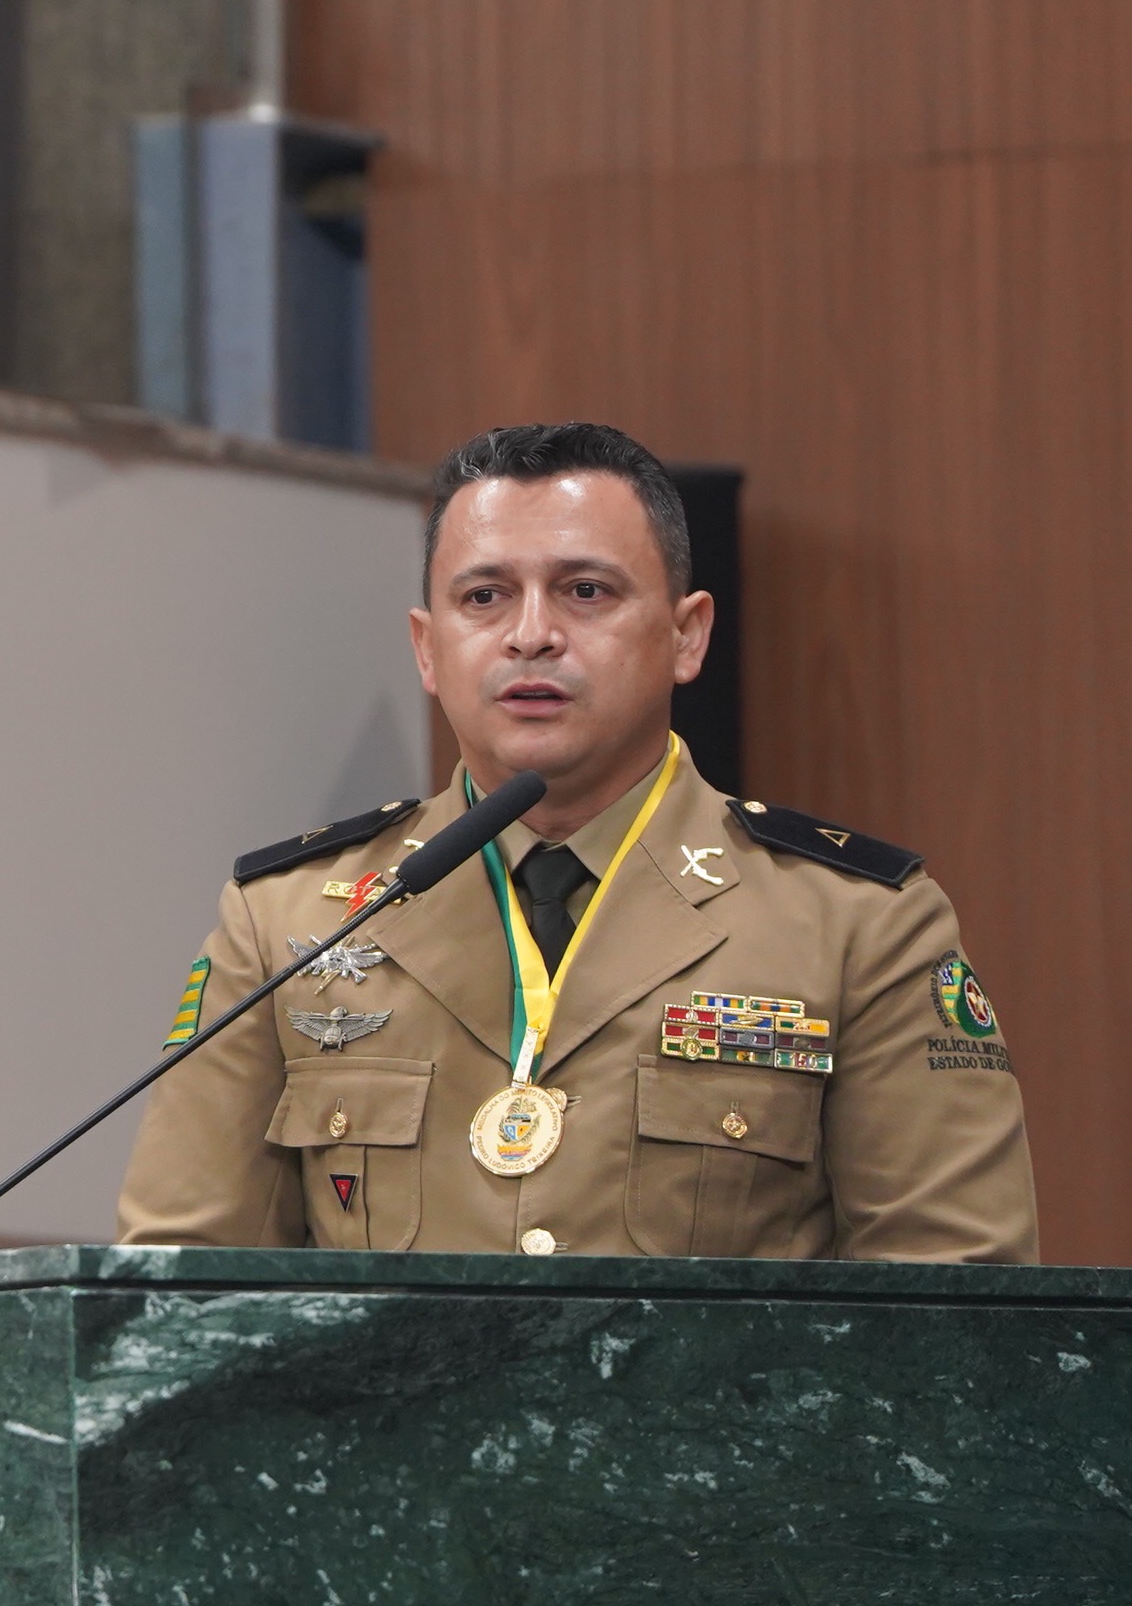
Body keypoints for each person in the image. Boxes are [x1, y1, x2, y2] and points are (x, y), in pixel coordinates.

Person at [117, 421, 1032, 1260]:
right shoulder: (287, 923)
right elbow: (177, 1293)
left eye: (585, 591)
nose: (531, 636)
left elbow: (958, 1309)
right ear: (428, 650)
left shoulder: (858, 925)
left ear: (687, 636)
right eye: (484, 596)